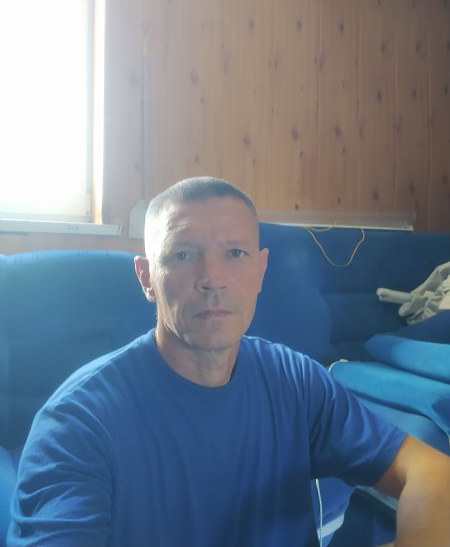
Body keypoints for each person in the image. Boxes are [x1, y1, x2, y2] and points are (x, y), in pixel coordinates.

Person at [8, 177, 450, 547]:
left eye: (235, 253)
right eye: (183, 254)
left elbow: (429, 471)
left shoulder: (296, 380)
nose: (212, 278)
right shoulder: (77, 422)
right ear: (147, 279)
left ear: (260, 271)